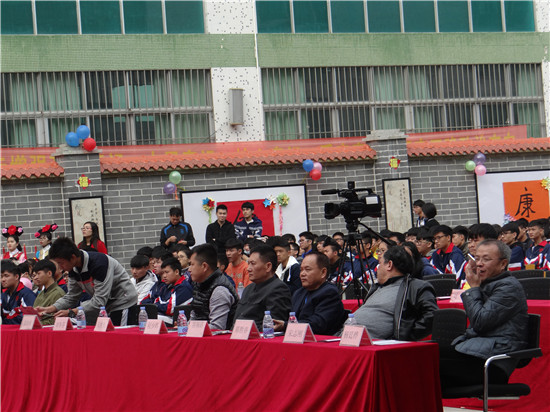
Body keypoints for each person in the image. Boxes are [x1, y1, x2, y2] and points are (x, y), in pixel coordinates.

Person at [439, 240, 529, 390]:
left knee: (426, 364)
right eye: (476, 258)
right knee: (422, 354)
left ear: (503, 264)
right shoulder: (487, 283)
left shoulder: (508, 287)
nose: (479, 264)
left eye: (486, 259)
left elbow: (480, 322)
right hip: (476, 351)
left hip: (493, 362)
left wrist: (473, 288)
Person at [36, 238, 137, 326]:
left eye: (61, 263)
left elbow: (99, 301)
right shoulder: (73, 269)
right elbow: (71, 296)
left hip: (123, 303)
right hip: (107, 306)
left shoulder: (100, 264)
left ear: (73, 257)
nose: (60, 268)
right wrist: (50, 308)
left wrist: (72, 312)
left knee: (119, 337)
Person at [351, 246, 438, 341]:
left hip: (379, 344)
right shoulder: (376, 288)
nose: (377, 269)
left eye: (379, 264)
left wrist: (405, 337)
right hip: (348, 338)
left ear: (389, 265)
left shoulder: (415, 287)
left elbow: (432, 315)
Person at [274, 252, 346, 335]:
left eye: (307, 269)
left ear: (323, 272)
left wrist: (286, 325)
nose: (302, 274)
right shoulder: (299, 292)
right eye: (301, 270)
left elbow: (317, 324)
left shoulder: (329, 293)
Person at [233, 245, 291, 330]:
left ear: (268, 266)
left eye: (253, 264)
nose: (248, 269)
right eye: (248, 264)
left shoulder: (278, 289)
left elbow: (273, 326)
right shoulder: (248, 288)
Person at [188, 244, 239, 330]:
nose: (189, 269)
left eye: (192, 264)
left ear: (204, 266)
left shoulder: (220, 290)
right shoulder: (199, 284)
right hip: (199, 334)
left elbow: (217, 327)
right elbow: (194, 317)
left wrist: (190, 328)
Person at [141, 257, 193, 324]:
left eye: (167, 272)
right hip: (163, 317)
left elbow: (170, 309)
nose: (164, 276)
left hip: (177, 322)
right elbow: (155, 300)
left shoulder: (183, 287)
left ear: (176, 272)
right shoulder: (166, 286)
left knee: (150, 318)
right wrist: (156, 305)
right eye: (163, 273)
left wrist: (155, 306)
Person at [1, 259, 36, 324]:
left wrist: (5, 322)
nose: (3, 279)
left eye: (6, 276)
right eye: (1, 276)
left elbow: (28, 318)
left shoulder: (27, 294)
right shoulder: (3, 294)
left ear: (16, 276)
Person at [32, 259, 66, 325]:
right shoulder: (41, 293)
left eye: (38, 274)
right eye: (35, 275)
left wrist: (35, 323)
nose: (36, 277)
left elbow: (56, 320)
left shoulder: (58, 293)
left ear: (49, 273)